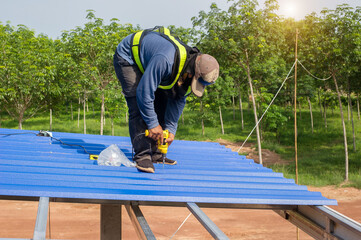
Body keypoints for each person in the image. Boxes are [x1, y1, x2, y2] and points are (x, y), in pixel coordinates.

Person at [113, 26, 219, 173]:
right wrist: (152, 124)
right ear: (192, 73)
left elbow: (178, 98)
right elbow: (144, 93)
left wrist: (170, 129)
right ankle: (142, 156)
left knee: (162, 100)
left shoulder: (187, 70)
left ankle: (156, 154)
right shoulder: (166, 60)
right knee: (138, 105)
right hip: (129, 57)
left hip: (151, 63)